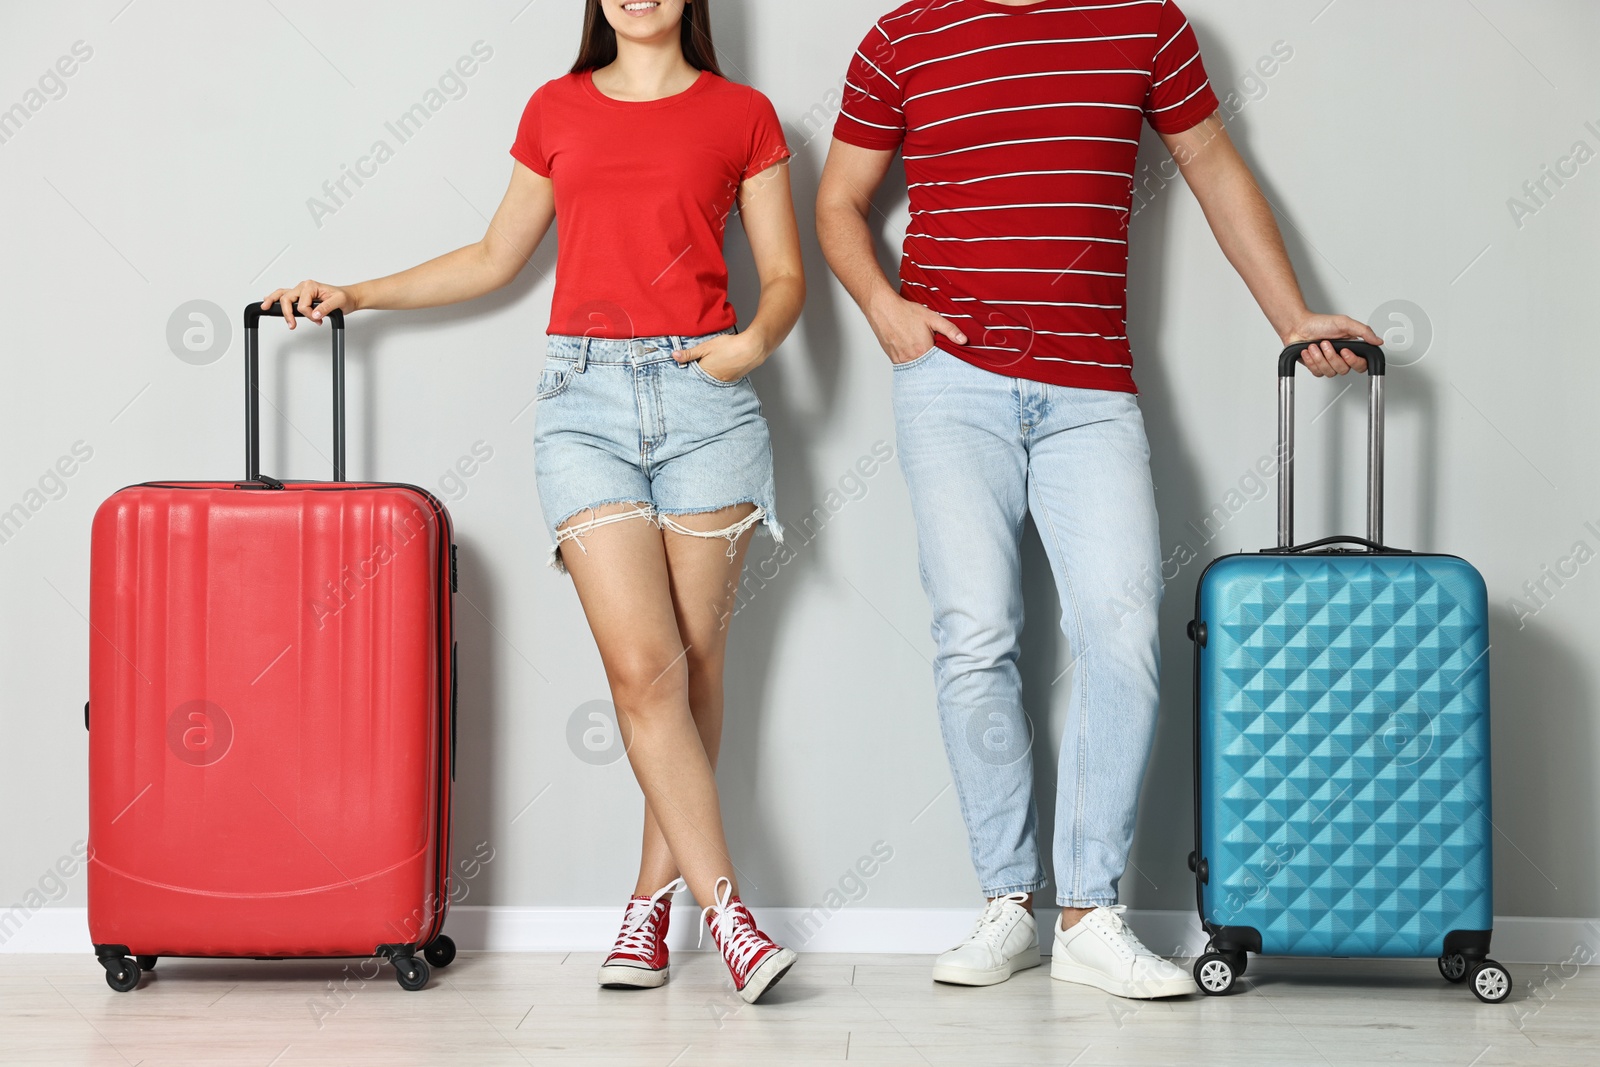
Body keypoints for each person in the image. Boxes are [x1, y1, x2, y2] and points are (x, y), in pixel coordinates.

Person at [816, 0, 1381, 998]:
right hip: (949, 382)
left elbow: (1211, 165)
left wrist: (1290, 316)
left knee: (1121, 635)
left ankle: (1088, 912)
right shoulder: (905, 35)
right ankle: (1007, 904)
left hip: (1092, 392)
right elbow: (837, 199)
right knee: (974, 633)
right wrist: (883, 308)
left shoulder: (1146, 23)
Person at [262, 0, 805, 1005]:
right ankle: (730, 913)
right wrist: (355, 291)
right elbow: (491, 258)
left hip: (707, 396)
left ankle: (649, 903)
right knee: (644, 672)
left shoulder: (743, 114)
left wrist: (753, 342)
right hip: (583, 404)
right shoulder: (555, 107)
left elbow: (782, 276)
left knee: (693, 670)